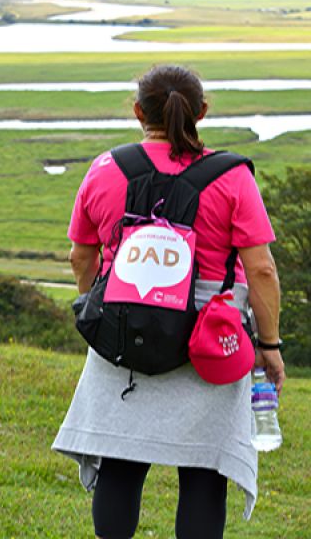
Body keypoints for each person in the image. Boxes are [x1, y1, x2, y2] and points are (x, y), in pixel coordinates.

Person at [52, 64, 285, 539]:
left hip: (122, 324)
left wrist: (99, 316)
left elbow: (81, 256)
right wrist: (270, 344)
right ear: (201, 112)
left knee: (120, 461)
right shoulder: (234, 176)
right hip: (211, 338)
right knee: (204, 473)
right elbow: (261, 269)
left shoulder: (104, 168)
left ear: (139, 112)